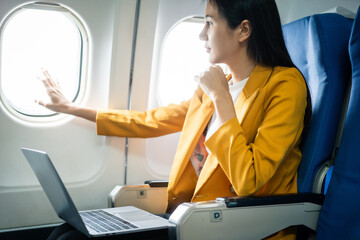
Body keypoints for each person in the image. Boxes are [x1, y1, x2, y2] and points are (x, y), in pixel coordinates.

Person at [38, 0, 311, 239]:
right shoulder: (217, 86)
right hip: (189, 219)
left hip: (237, 226)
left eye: (209, 22)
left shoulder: (285, 85)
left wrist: (221, 98)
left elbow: (249, 180)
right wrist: (71, 108)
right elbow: (150, 121)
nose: (201, 34)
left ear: (243, 30)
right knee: (67, 231)